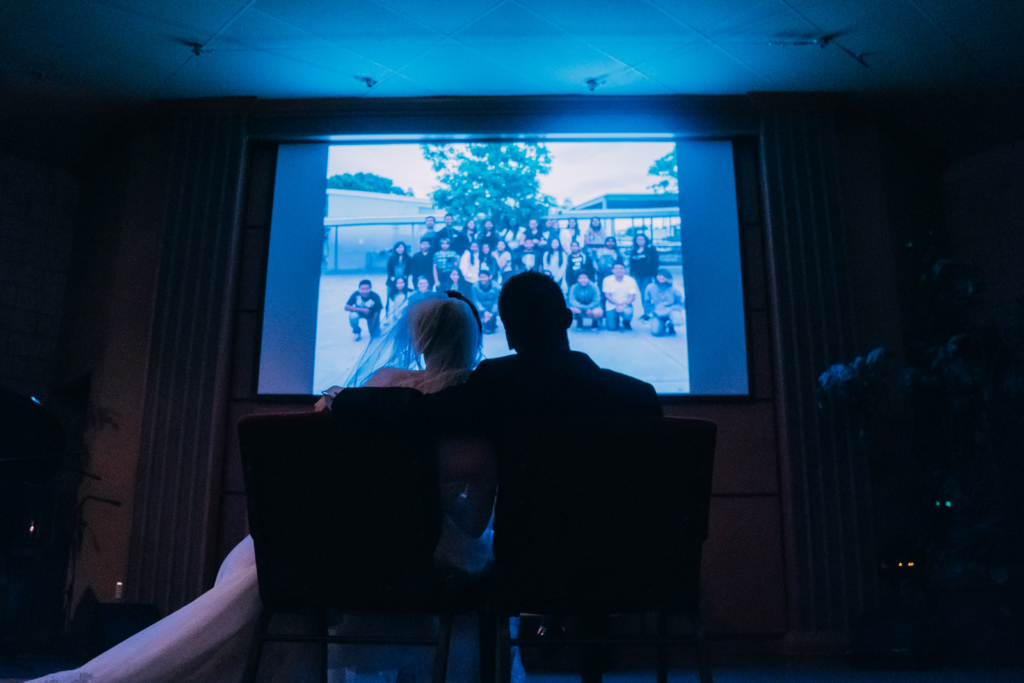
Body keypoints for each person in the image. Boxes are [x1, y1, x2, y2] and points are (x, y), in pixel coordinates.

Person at [28, 294, 489, 683]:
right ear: (470, 341)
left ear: (413, 337)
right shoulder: (472, 416)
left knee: (263, 563)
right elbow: (474, 525)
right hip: (419, 561)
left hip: (337, 552)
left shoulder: (374, 392)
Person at [628, 233, 660, 321]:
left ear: (645, 240)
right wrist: (631, 274)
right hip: (637, 276)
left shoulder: (650, 249)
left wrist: (654, 274)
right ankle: (646, 312)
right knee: (642, 294)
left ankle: (650, 313)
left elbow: (655, 262)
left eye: (642, 239)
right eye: (638, 239)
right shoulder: (634, 250)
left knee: (647, 294)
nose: (640, 241)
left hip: (647, 275)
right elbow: (631, 263)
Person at [644, 268, 684, 336]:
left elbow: (680, 302)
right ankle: (662, 325)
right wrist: (651, 311)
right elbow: (646, 301)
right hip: (657, 311)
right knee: (656, 333)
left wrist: (674, 308)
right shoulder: (650, 287)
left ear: (668, 278)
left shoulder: (674, 289)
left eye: (664, 276)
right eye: (659, 275)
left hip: (671, 309)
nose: (661, 277)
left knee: (678, 320)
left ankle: (670, 324)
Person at [602, 262, 639, 331]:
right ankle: (615, 319)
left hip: (626, 304)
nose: (619, 270)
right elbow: (607, 295)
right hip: (612, 305)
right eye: (616, 268)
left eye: (621, 268)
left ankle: (626, 321)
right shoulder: (607, 280)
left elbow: (632, 296)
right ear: (612, 270)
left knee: (628, 312)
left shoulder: (631, 280)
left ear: (624, 270)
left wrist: (623, 305)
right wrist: (617, 304)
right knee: (612, 327)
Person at [385, 241, 410, 316]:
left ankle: (402, 314)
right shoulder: (392, 258)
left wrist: (406, 275)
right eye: (398, 247)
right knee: (390, 297)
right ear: (395, 249)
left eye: (402, 247)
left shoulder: (407, 258)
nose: (400, 249)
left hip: (403, 281)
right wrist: (391, 277)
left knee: (403, 297)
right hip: (392, 281)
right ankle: (388, 315)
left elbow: (409, 268)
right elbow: (389, 269)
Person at [472, 270, 500, 334]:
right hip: (481, 309)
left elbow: (496, 301)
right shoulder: (474, 286)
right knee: (479, 327)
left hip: (491, 309)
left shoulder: (496, 286)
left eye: (484, 277)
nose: (482, 279)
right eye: (480, 277)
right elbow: (476, 301)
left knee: (489, 329)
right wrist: (484, 311)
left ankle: (490, 322)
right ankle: (481, 320)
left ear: (490, 277)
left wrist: (492, 313)